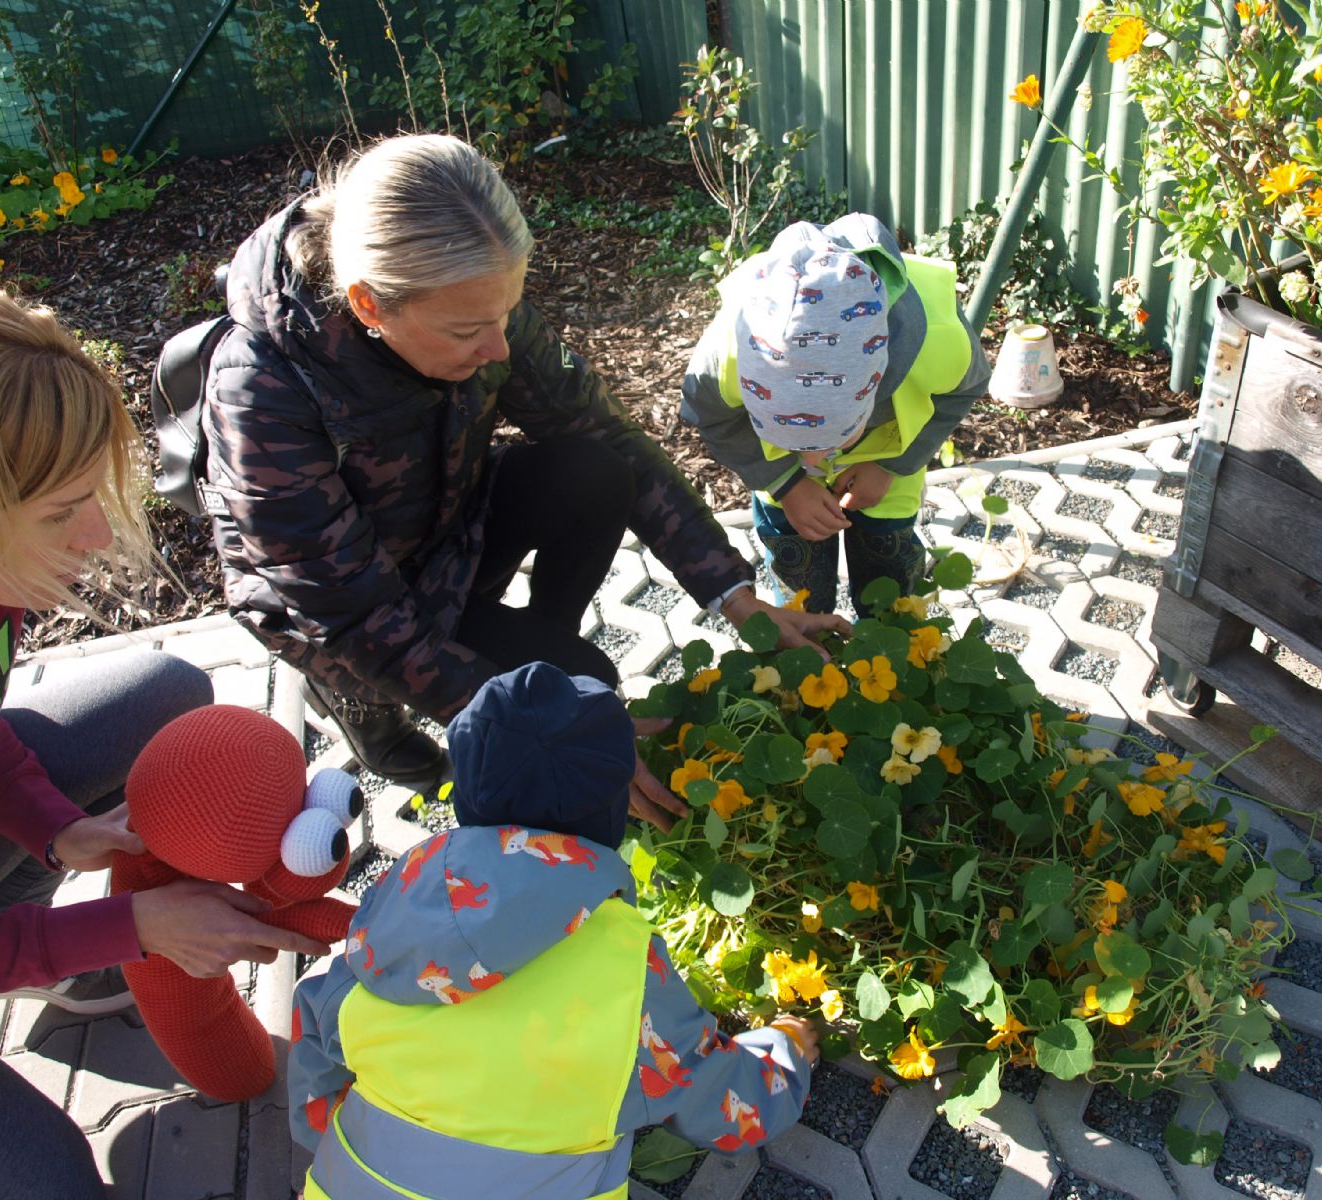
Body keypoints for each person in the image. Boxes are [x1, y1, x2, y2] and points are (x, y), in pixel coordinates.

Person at [202, 133, 846, 811]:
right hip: (339, 615)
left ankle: (530, 654)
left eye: (508, 311)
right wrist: (538, 715)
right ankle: (371, 714)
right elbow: (353, 613)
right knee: (579, 684)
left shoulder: (469, 299)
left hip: (443, 531)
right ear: (369, 306)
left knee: (594, 473)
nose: (499, 347)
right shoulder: (264, 390)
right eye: (466, 332)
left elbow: (604, 435)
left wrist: (734, 595)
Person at [0, 287, 334, 1198]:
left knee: (160, 694)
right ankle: (34, 949)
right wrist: (130, 925)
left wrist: (57, 831)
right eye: (58, 515)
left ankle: (44, 952)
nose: (94, 535)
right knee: (51, 1181)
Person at [289, 661, 817, 1198]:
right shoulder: (628, 968)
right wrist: (786, 1052)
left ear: (465, 793)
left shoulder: (386, 920)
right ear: (617, 810)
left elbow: (314, 1024)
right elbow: (728, 1109)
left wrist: (331, 1126)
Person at [681, 213, 991, 614]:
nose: (812, 462)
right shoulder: (728, 350)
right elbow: (712, 416)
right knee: (801, 597)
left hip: (888, 475)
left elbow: (963, 392)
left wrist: (892, 465)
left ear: (878, 382)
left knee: (889, 591)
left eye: (834, 437)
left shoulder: (941, 338)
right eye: (783, 433)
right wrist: (786, 481)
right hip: (783, 492)